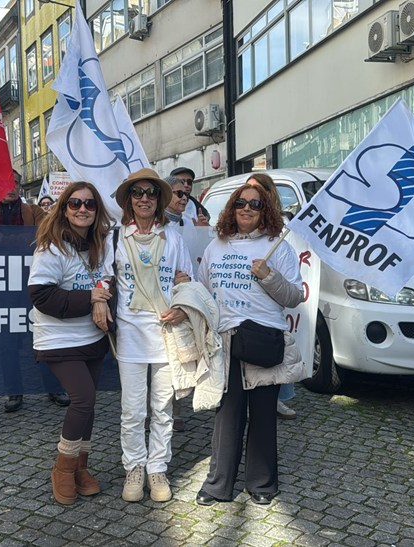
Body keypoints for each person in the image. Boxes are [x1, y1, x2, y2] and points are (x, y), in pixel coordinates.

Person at [195, 182, 304, 506]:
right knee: (227, 416)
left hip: (263, 339)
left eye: (255, 204)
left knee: (263, 415)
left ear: (264, 210)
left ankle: (262, 485)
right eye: (241, 202)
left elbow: (294, 296)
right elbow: (204, 290)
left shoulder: (278, 246)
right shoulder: (217, 245)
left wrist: (269, 276)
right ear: (231, 208)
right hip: (226, 341)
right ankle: (218, 485)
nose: (247, 208)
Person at [28, 181, 113, 505]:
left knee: (88, 405)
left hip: (92, 336)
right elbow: (41, 295)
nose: (82, 209)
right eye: (75, 203)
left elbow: (107, 278)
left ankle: (81, 467)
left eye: (89, 204)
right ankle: (62, 468)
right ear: (64, 208)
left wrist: (101, 296)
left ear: (97, 210)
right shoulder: (50, 246)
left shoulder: (100, 243)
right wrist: (91, 298)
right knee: (83, 399)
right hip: (59, 339)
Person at [113, 168, 195, 503]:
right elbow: (102, 277)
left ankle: (157, 467)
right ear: (129, 200)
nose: (144, 198)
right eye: (138, 193)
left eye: (151, 193)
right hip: (130, 335)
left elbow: (188, 282)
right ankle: (134, 466)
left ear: (159, 199)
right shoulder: (115, 238)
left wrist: (183, 308)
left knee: (162, 408)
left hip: (165, 333)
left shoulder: (173, 238)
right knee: (133, 410)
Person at [0, 185, 70, 411]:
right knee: (6, 343)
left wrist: (0, 238)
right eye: (5, 184)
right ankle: (14, 391)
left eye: (14, 184)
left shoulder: (34, 212)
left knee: (43, 336)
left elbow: (38, 242)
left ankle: (54, 387)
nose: (10, 188)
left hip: (33, 286)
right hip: (1, 290)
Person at [244, 173, 297, 420]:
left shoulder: (282, 229)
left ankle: (276, 398)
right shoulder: (236, 231)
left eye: (257, 192)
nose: (249, 201)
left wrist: (269, 275)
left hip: (270, 310)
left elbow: (292, 292)